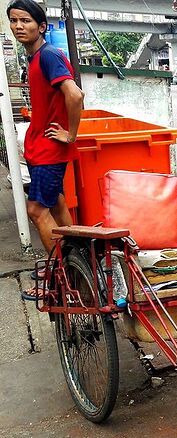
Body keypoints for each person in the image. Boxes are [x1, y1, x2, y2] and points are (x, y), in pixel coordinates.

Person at [8, 0, 84, 301]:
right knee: (56, 205)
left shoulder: (49, 55)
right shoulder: (36, 57)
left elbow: (75, 95)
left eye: (25, 20)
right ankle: (80, 262)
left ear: (41, 27)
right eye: (13, 21)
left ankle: (61, 281)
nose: (18, 26)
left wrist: (71, 135)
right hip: (41, 149)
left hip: (50, 150)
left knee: (36, 210)